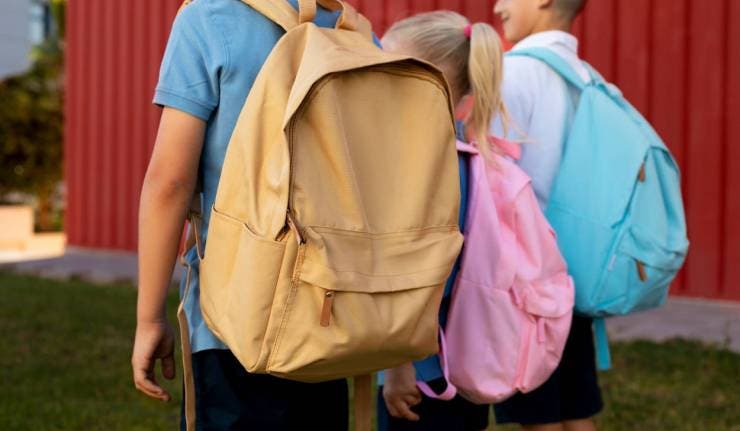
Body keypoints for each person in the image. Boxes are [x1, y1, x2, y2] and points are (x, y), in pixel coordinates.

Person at [130, 1, 351, 429]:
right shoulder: (347, 27)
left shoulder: (209, 18)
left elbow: (170, 182)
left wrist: (149, 319)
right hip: (332, 316)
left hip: (232, 318)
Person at [378, 11, 508, 431]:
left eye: (389, 68)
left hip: (422, 374)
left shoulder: (426, 163)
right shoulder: (462, 147)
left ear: (428, 80)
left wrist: (399, 366)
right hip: (460, 360)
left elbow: (426, 275)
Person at [491, 1, 603, 430]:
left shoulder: (513, 73)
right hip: (576, 269)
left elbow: (492, 178)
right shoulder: (588, 76)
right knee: (574, 408)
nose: (497, 7)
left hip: (527, 277)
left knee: (538, 413)